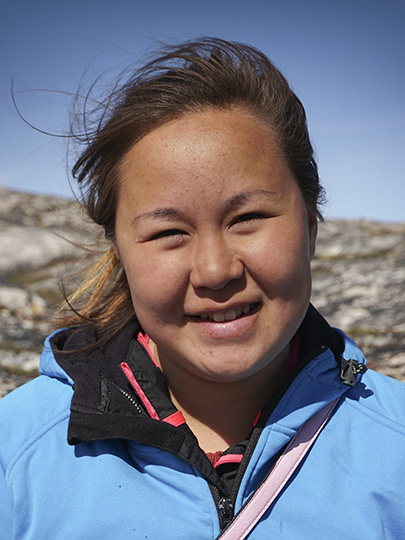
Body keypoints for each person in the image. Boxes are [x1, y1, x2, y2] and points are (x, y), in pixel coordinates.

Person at [0, 37, 404, 540]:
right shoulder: (14, 455)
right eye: (169, 232)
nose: (215, 271)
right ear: (120, 252)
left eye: (249, 217)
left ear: (311, 225)